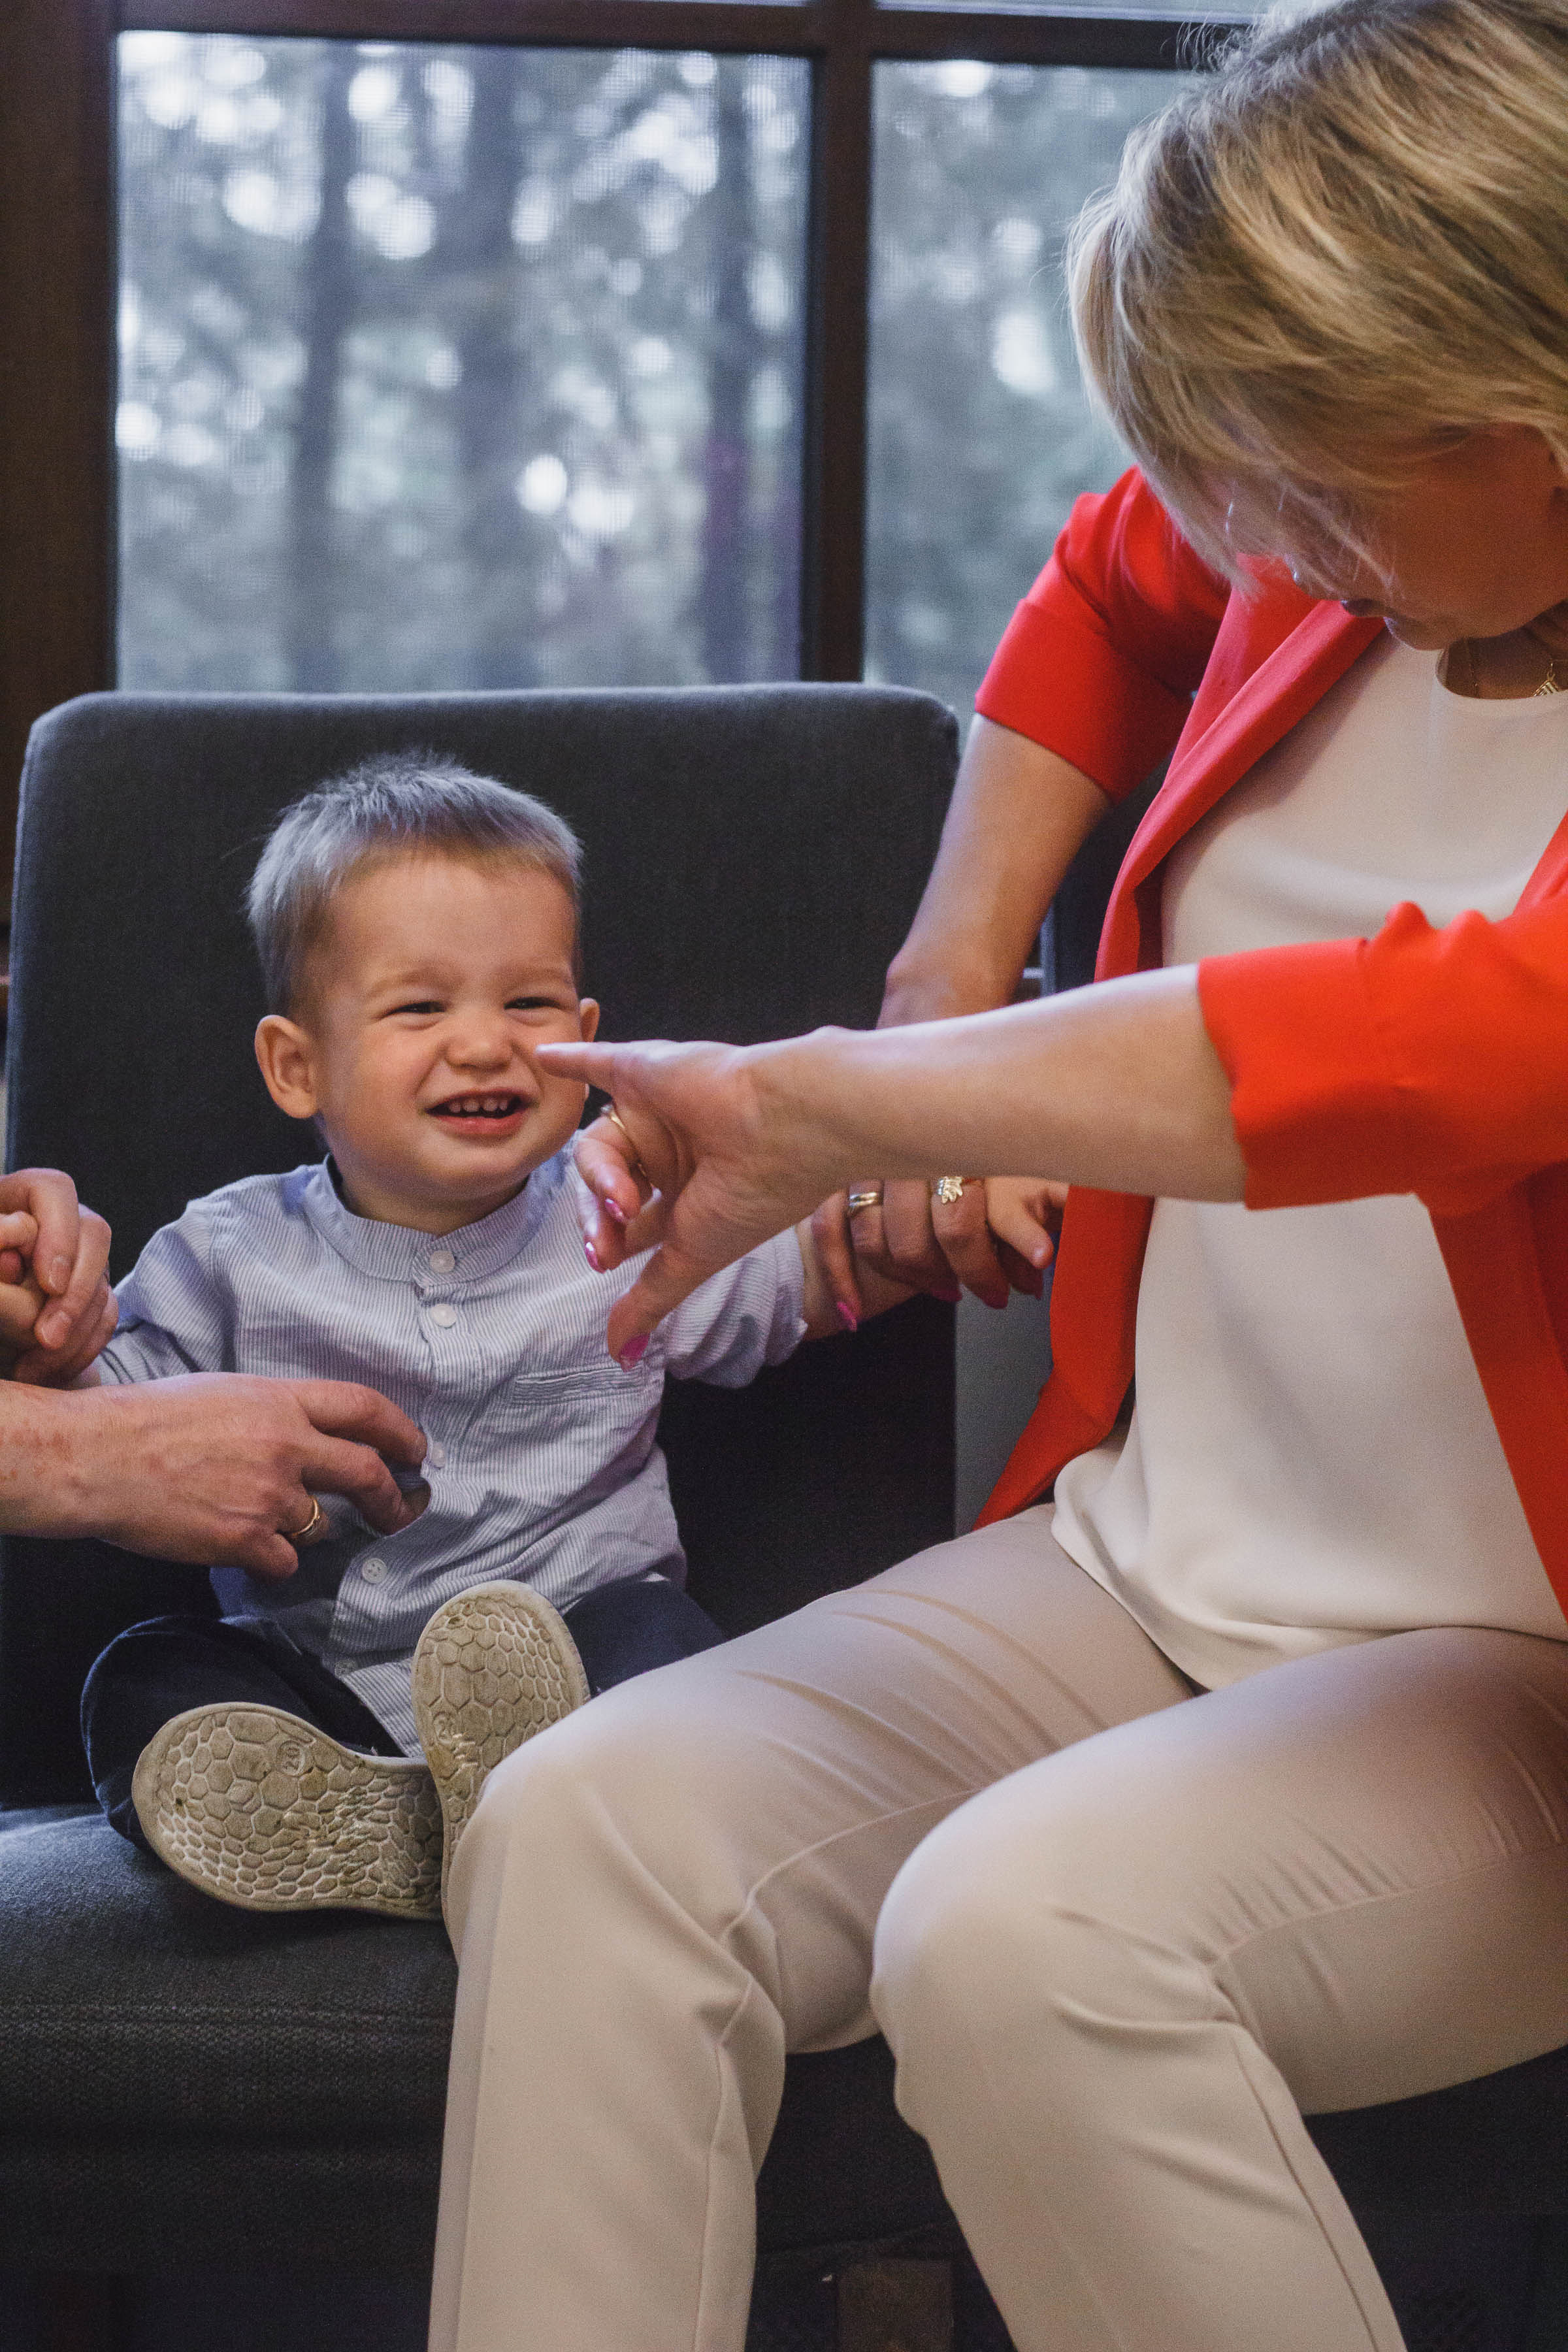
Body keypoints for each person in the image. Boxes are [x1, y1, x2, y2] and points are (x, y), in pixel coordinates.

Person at [419, 5, 1568, 2349]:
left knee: (1033, 1938)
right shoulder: (1328, 542)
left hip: (1518, 1668)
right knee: (590, 1827)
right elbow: (1117, 578)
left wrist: (861, 1103)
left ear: (1524, 407)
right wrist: (945, 970)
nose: (1284, 547)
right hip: (1158, 1561)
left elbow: (1454, 1046)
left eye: (1330, 483)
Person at [52, 755, 904, 1925]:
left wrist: (927, 1207)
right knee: (145, 1676)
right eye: (421, 1007)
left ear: (590, 1036)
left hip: (583, 1656)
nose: (486, 1045)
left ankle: (543, 1792)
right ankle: (383, 1830)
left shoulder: (628, 1213)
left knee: (666, 1641)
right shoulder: (227, 1251)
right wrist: (49, 1338)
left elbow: (812, 1271)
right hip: (321, 1701)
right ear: (296, 1065)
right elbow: (108, 1418)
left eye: (530, 1004)